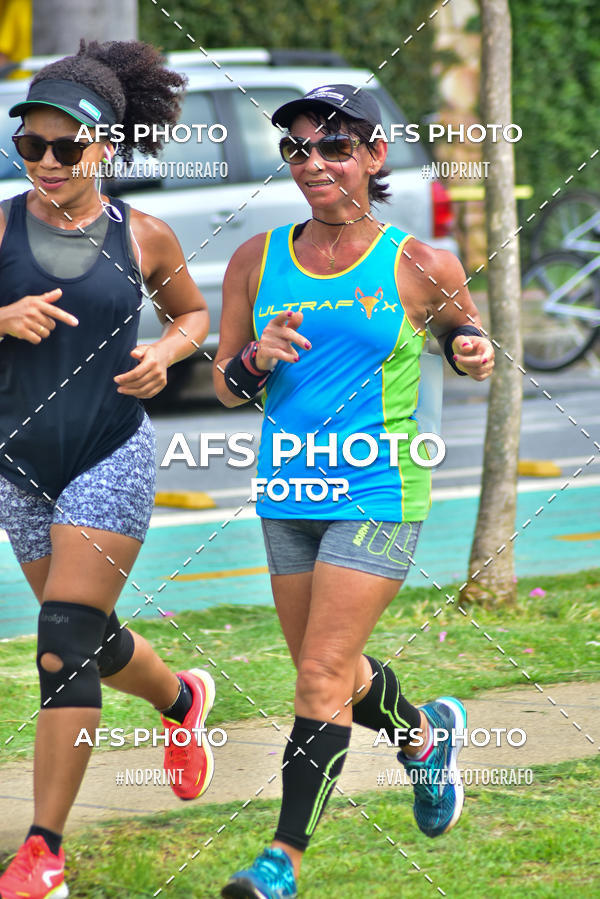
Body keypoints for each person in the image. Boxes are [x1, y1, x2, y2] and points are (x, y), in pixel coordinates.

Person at [214, 84, 495, 899]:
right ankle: (425, 736)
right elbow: (229, 384)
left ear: (374, 156)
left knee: (317, 677)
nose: (314, 163)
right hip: (287, 490)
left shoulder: (418, 260)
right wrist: (257, 359)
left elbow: (460, 331)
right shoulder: (253, 259)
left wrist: (471, 348)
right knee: (329, 672)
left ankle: (281, 860)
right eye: (298, 148)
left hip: (378, 486)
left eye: (334, 145)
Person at [0, 40, 215, 899]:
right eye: (29, 145)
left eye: (65, 146)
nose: (45, 163)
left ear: (107, 146)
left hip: (108, 453)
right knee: (87, 635)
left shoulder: (146, 235)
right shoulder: (3, 226)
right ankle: (182, 702)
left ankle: (43, 849)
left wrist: (166, 351)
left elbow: (193, 313)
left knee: (60, 647)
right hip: (17, 465)